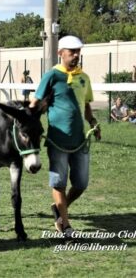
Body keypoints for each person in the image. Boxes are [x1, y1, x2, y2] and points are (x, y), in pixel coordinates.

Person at [29, 35, 101, 239]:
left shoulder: (83, 77)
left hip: (80, 141)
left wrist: (93, 123)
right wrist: (26, 120)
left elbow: (86, 105)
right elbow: (35, 102)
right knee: (59, 183)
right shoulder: (51, 75)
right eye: (72, 52)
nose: (76, 55)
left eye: (78, 52)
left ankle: (60, 208)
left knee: (81, 184)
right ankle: (65, 225)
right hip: (57, 141)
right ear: (61, 53)